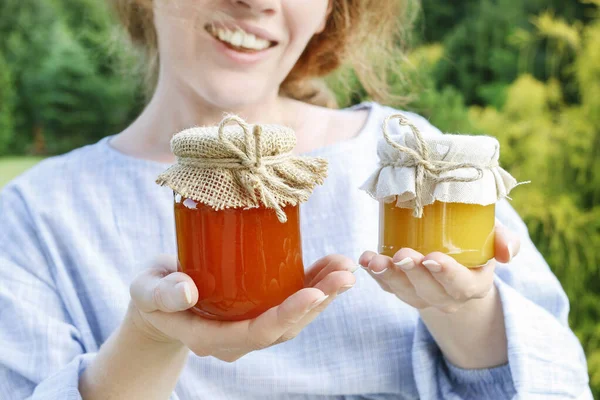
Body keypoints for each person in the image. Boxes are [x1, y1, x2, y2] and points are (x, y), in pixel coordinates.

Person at [0, 0, 591, 399]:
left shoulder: (411, 160)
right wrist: (149, 340)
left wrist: (463, 309)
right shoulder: (37, 216)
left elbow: (556, 382)